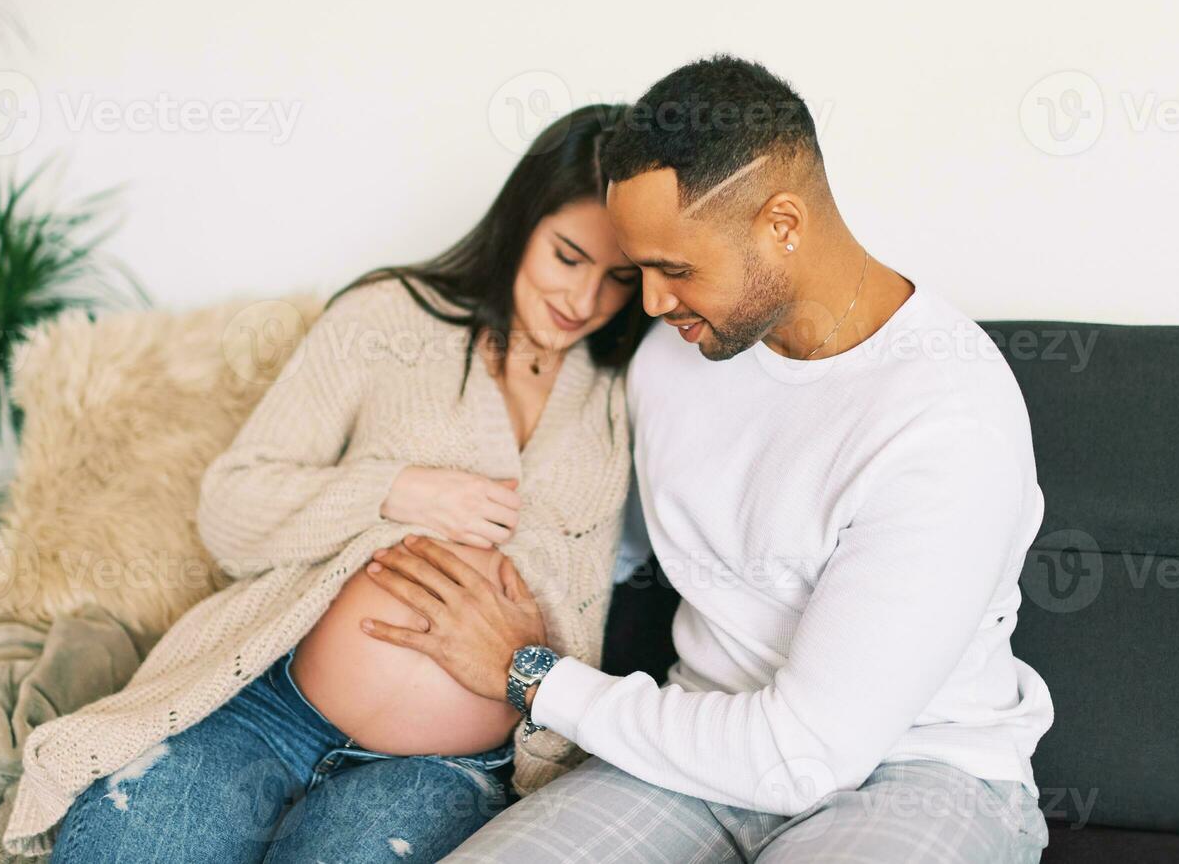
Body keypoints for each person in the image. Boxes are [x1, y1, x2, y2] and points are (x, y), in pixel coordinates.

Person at [359, 56, 1056, 863]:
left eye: (675, 269)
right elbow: (583, 538)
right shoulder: (671, 359)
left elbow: (802, 755)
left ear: (782, 225)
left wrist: (532, 674)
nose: (649, 303)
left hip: (919, 769)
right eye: (639, 268)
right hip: (688, 748)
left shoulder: (945, 420)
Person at [16, 103, 653, 864]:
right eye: (567, 256)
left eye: (619, 279)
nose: (584, 301)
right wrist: (394, 489)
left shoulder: (622, 390)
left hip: (446, 765)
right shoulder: (385, 318)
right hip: (265, 707)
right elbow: (230, 508)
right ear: (520, 222)